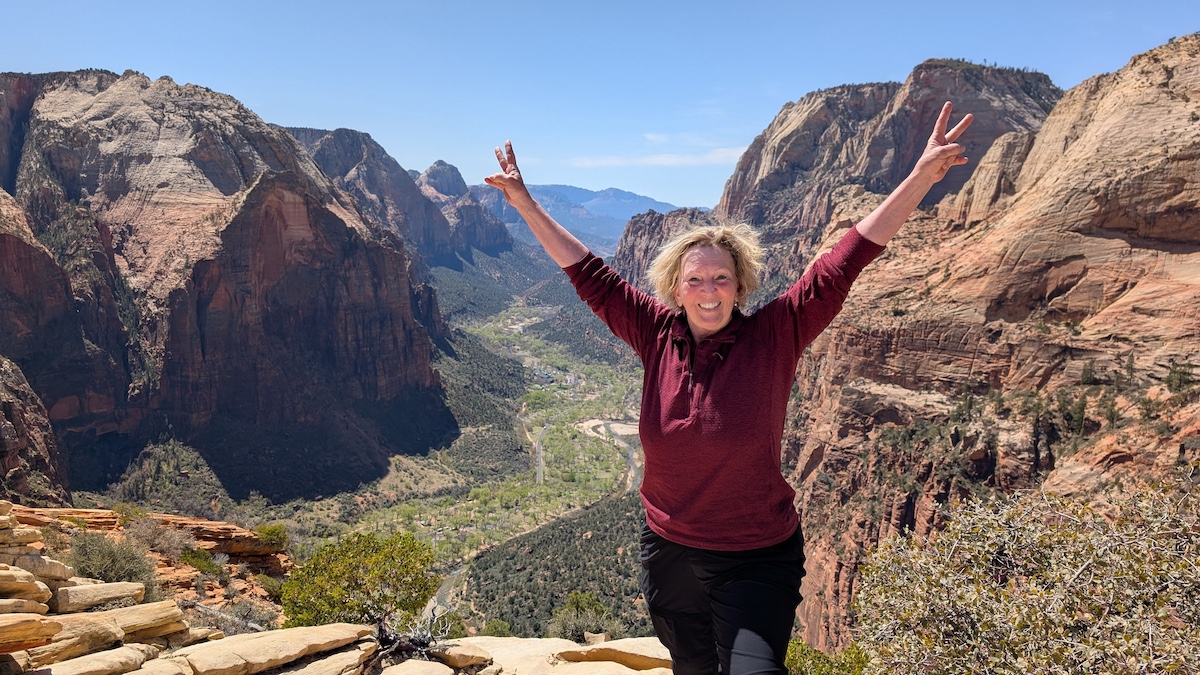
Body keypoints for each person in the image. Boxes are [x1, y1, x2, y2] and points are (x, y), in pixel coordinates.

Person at [485, 102, 973, 674]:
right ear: (676, 286)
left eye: (721, 278)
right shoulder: (653, 329)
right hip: (669, 550)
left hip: (756, 556)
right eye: (695, 280)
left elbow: (845, 261)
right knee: (692, 669)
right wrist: (524, 204)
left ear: (741, 284)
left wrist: (919, 178)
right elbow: (587, 273)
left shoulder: (777, 333)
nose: (709, 290)